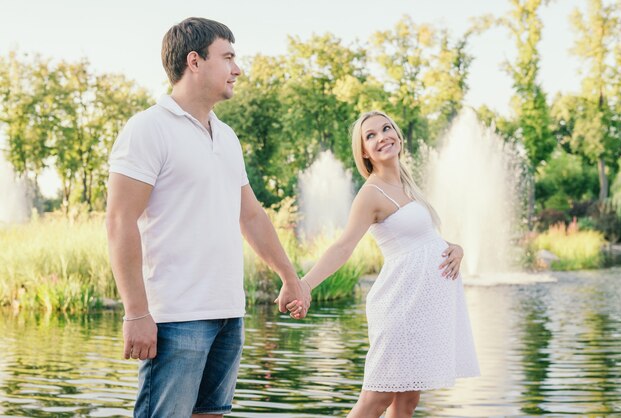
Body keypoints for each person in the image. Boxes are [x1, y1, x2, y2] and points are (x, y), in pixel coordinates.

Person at [106, 17, 309, 417]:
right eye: (228, 56)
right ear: (194, 61)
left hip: (228, 312)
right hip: (176, 317)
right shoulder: (148, 128)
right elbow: (118, 221)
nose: (237, 68)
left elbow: (250, 216)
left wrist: (291, 278)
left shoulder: (227, 136)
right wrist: (136, 312)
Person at [288, 110, 480, 418]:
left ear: (398, 134)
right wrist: (304, 285)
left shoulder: (407, 185)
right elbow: (343, 245)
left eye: (386, 128)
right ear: (363, 151)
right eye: (371, 135)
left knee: (407, 402)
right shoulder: (371, 193)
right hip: (400, 307)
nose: (382, 137)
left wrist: (455, 248)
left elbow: (423, 241)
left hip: (421, 307)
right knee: (376, 399)